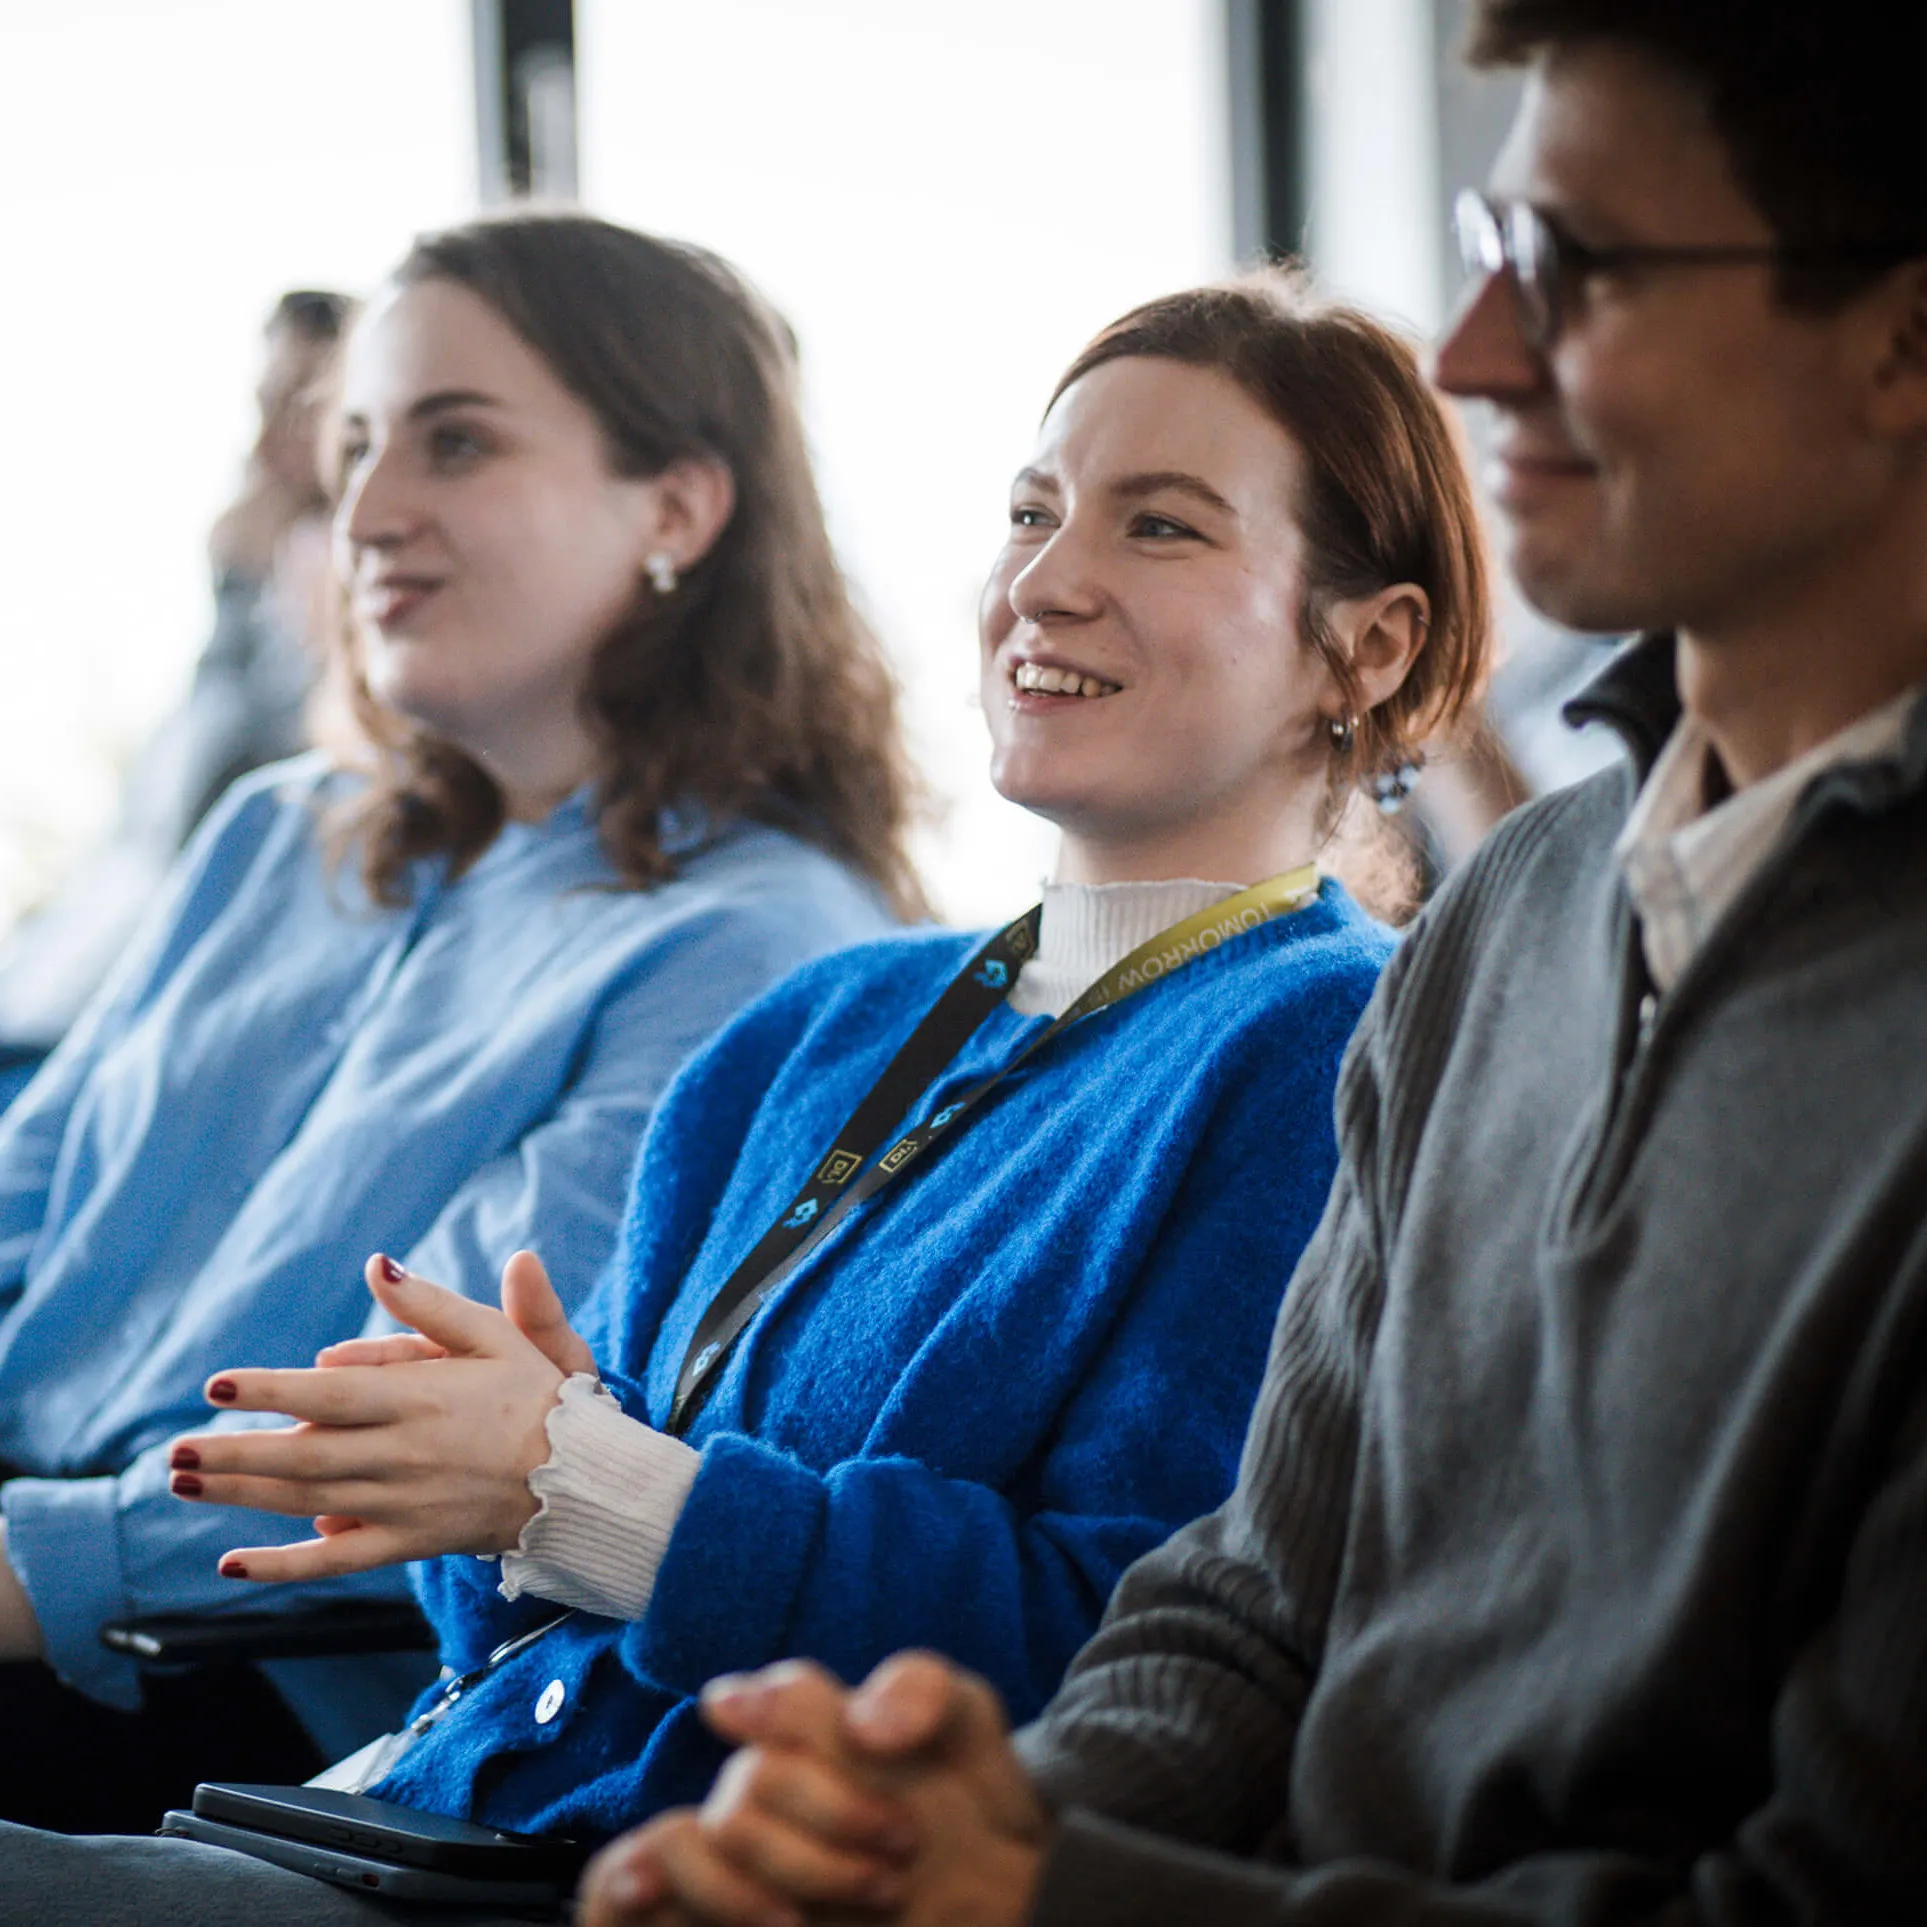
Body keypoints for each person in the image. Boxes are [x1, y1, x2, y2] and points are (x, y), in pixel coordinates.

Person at [573, 2, 1927, 1923]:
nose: (1476, 354)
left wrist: (1038, 1890)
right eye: (1487, 258)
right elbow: (1245, 1607)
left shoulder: (1319, 1008)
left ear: (1898, 341)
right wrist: (960, 1837)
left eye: (1581, 271)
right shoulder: (1520, 909)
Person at [0, 268, 1493, 1919]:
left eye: (1159, 528)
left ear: (1368, 640)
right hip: (423, 1816)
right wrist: (509, 1494)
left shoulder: (1331, 1050)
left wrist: (585, 1485)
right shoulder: (823, 1022)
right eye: (1030, 510)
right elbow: (541, 1635)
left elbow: (1141, 1651)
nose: (1044, 580)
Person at [0, 211, 917, 1833]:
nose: (363, 509)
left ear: (679, 507)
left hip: (248, 1673)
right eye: (354, 444)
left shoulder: (756, 949)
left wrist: (37, 1565)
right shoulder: (277, 836)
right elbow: (26, 1201)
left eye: (455, 440)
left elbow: (422, 1449)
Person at [0, 289, 352, 1109]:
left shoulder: (331, 608)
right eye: (260, 408)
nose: (265, 443)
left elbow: (221, 799)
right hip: (61, 985)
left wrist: (237, 582)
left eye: (296, 410)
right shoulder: (255, 607)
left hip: (106, 1029)